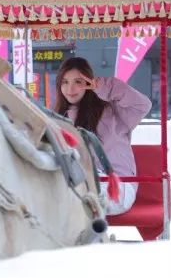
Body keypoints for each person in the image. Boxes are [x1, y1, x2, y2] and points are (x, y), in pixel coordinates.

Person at [54, 57, 152, 215]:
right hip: (79, 185)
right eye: (65, 82)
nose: (70, 88)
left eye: (78, 82)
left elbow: (142, 105)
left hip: (117, 186)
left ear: (89, 82)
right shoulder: (59, 118)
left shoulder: (113, 111)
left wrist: (103, 86)